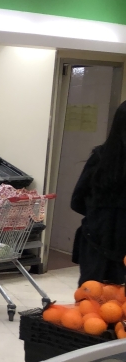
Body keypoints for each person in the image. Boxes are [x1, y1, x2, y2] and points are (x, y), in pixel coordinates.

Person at [73, 100, 126, 285]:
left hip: (95, 240)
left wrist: (100, 214)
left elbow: (76, 201)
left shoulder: (100, 158)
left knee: (91, 296)